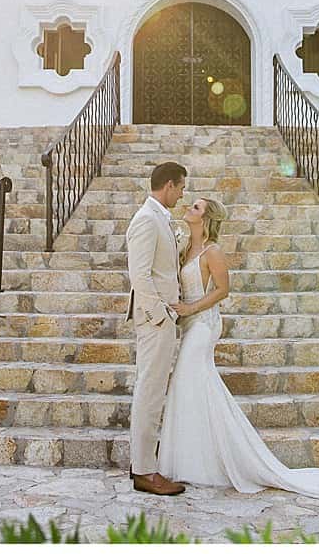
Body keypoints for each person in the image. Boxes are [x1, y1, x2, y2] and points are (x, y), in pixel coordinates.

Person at [156, 197, 319, 507]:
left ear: (207, 218)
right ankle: (194, 458)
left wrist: (190, 309)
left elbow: (223, 290)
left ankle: (225, 458)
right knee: (190, 387)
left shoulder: (213, 251)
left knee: (191, 381)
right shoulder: (187, 247)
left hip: (204, 325)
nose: (189, 208)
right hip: (190, 324)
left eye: (196, 207)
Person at [125, 161, 190, 496]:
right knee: (149, 391)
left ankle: (144, 465)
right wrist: (161, 315)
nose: (182, 194)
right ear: (167, 185)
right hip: (155, 321)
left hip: (160, 319)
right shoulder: (147, 220)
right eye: (180, 188)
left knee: (152, 390)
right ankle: (144, 471)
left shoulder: (160, 219)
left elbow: (162, 265)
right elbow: (140, 275)